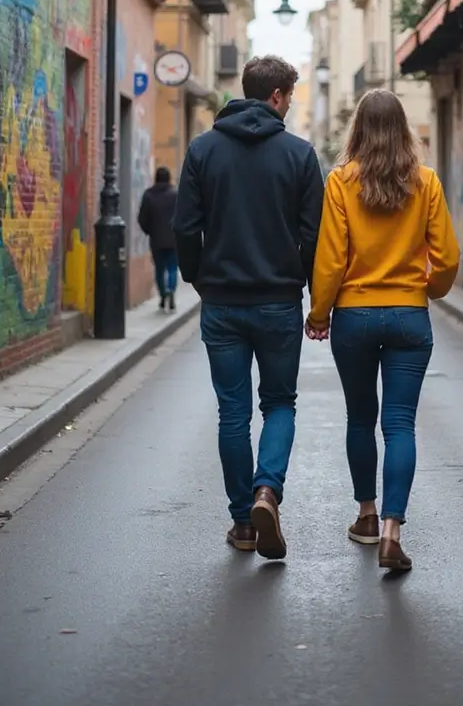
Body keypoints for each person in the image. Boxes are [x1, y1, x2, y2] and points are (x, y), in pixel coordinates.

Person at [173, 56, 324, 560]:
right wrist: (309, 292)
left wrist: (197, 277)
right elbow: (314, 235)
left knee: (232, 412)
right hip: (278, 303)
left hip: (222, 303)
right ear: (277, 96)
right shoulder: (299, 155)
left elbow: (184, 227)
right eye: (290, 96)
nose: (290, 105)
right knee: (279, 403)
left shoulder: (203, 150)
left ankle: (243, 522)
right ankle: (267, 491)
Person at [306, 89, 460, 573]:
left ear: (358, 129)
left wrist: (319, 312)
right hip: (409, 316)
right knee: (400, 424)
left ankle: (367, 516)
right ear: (403, 129)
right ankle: (394, 530)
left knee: (359, 418)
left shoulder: (341, 182)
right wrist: (428, 290)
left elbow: (331, 258)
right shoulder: (426, 181)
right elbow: (447, 257)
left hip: (354, 315)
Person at [138, 166, 179, 311]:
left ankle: (163, 295)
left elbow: (142, 218)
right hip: (174, 239)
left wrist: (149, 231)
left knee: (159, 269)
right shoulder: (176, 195)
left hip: (156, 240)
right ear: (169, 178)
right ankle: (171, 289)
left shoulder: (149, 195)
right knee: (173, 268)